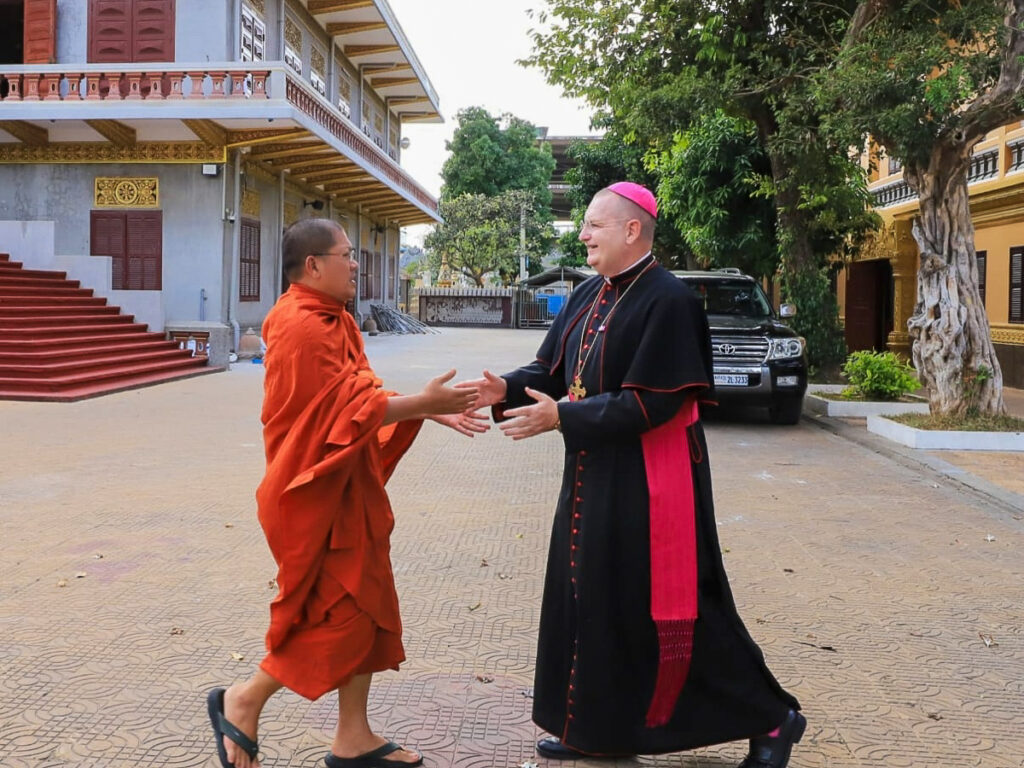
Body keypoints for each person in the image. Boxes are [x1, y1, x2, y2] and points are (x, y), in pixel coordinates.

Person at [463, 183, 805, 767]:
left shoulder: (670, 300)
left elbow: (655, 402)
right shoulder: (587, 293)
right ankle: (596, 729)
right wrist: (506, 388)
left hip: (651, 480)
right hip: (592, 471)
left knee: (676, 610)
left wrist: (562, 416)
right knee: (591, 599)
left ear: (631, 230)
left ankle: (774, 718)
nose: (582, 235)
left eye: (593, 225)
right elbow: (550, 369)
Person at [207, 218, 486, 768]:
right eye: (346, 254)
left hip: (344, 487)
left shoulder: (334, 319)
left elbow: (359, 394)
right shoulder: (302, 325)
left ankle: (353, 736)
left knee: (369, 605)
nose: (356, 264)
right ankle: (245, 698)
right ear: (313, 266)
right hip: (311, 490)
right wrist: (425, 404)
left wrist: (424, 408)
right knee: (339, 615)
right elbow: (347, 411)